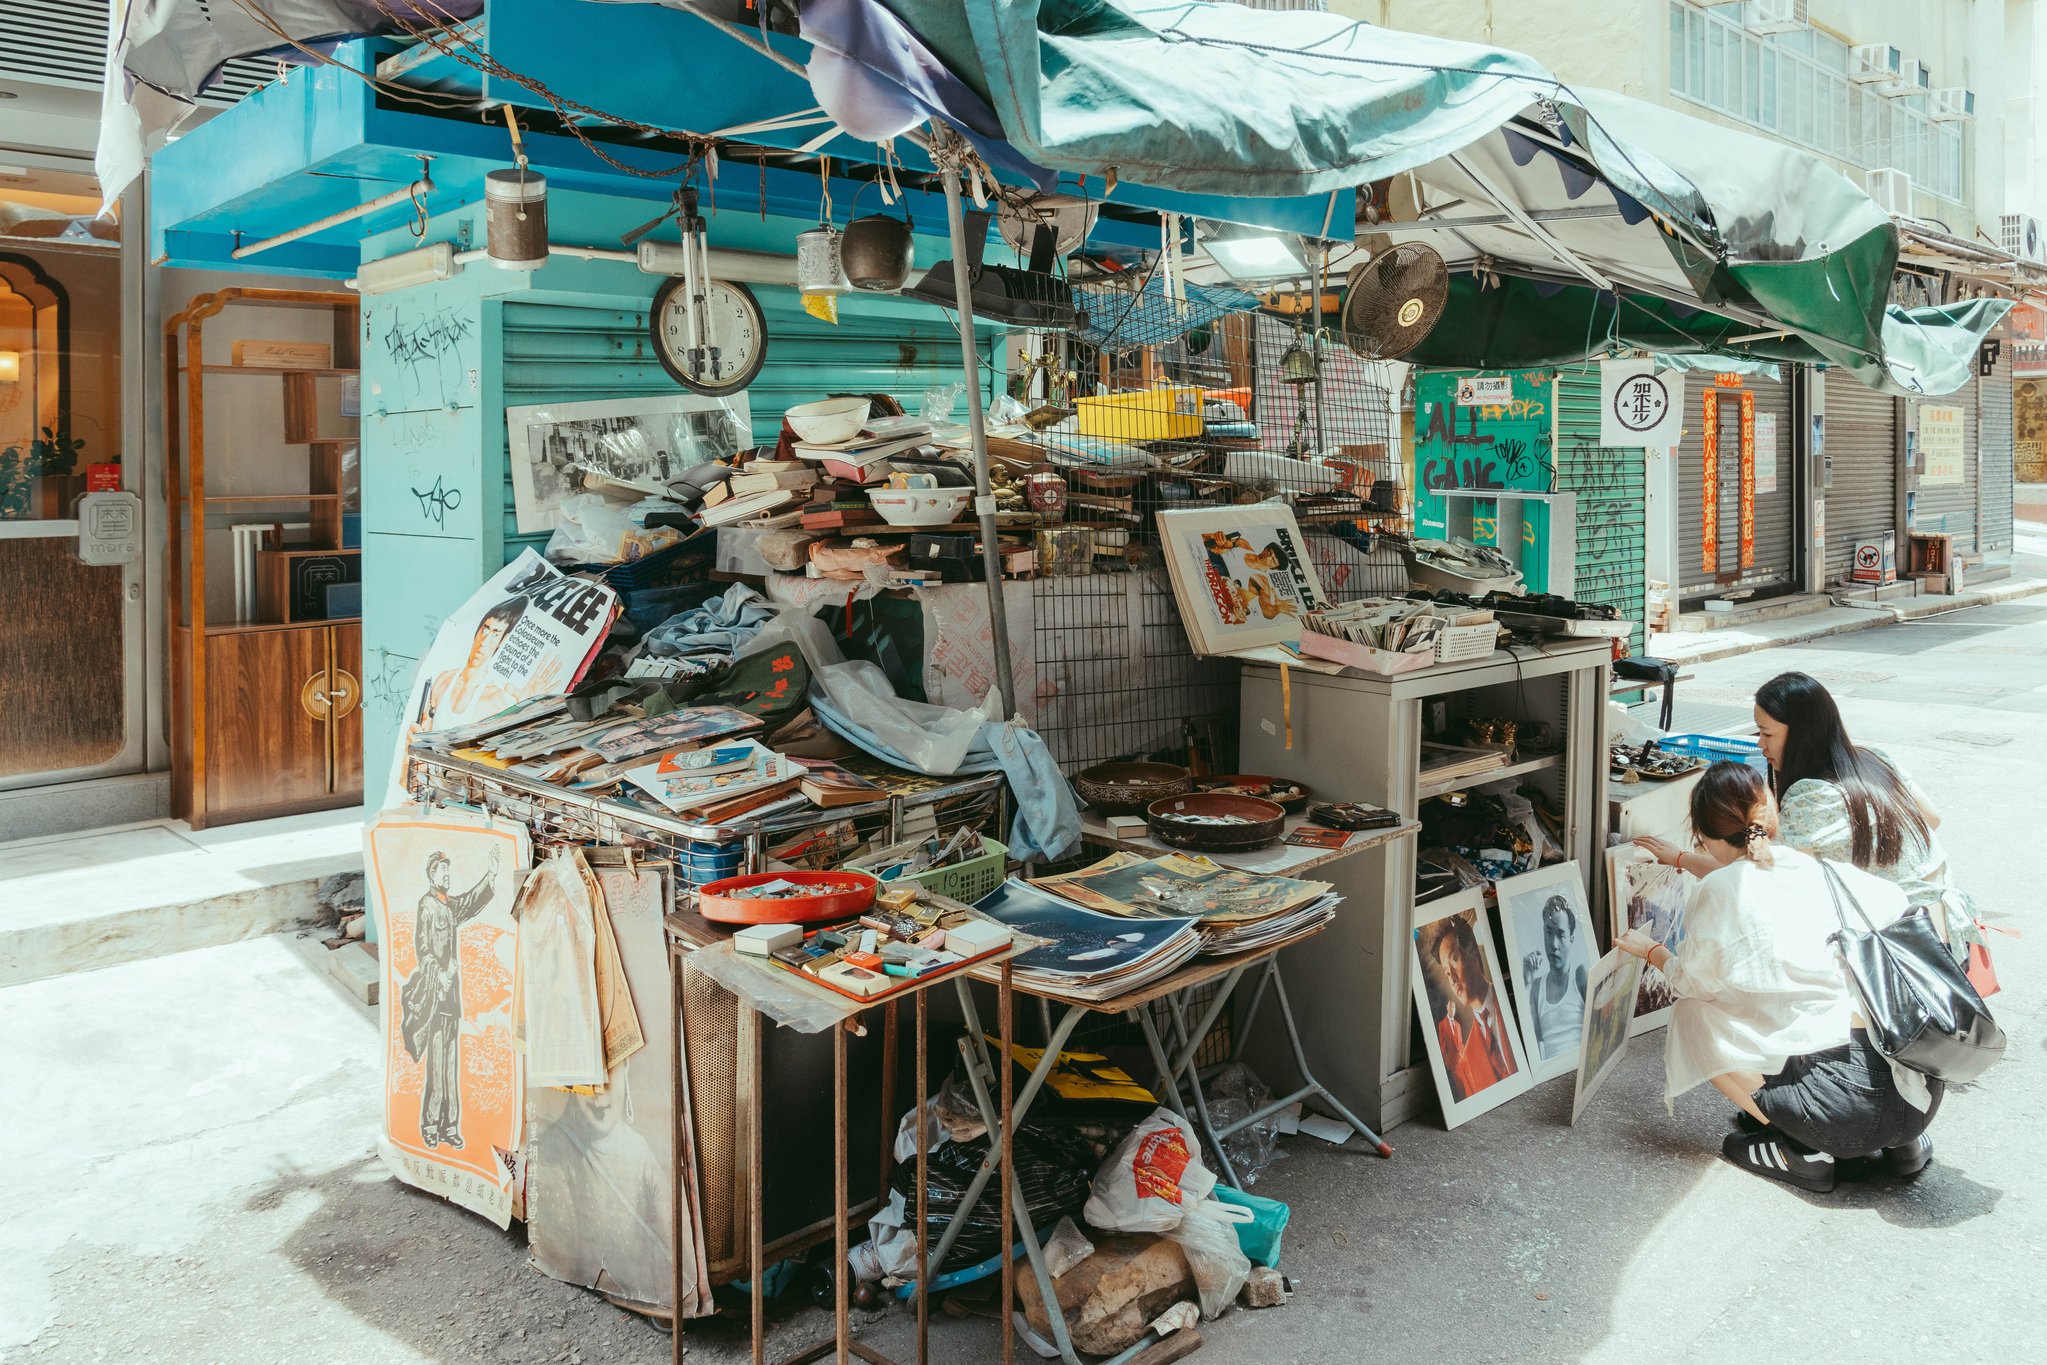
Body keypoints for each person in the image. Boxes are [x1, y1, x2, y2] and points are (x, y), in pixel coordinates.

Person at [1621, 762, 1941, 1193]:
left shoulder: (1722, 891)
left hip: (1845, 1114)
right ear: (1769, 814)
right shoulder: (1825, 872)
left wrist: (1653, 951)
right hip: (1918, 1093)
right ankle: (1900, 1146)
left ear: (1704, 835)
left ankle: (1804, 1149)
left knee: (1694, 1013)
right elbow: (1895, 902)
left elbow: (1691, 983)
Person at [1636, 671, 1981, 966]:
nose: (1760, 745)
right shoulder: (1875, 758)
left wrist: (1680, 858)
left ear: (1802, 733)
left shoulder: (1812, 797)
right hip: (1948, 926)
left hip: (1899, 948)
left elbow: (1759, 878)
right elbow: (1931, 819)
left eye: (1767, 733)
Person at [399, 844, 504, 1149]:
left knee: (450, 1065)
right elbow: (423, 949)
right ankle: (430, 1125)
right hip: (435, 994)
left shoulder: (449, 905)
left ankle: (450, 1126)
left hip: (451, 999)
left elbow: (471, 902)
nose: (447, 875)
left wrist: (491, 875)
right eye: (441, 870)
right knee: (436, 1065)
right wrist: (441, 973)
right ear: (431, 875)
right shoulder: (427, 906)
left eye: (448, 870)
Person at [1423, 912, 1518, 1101]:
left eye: (1454, 959)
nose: (1453, 978)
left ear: (1472, 951)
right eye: (1447, 973)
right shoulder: (1468, 1058)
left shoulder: (1514, 1003)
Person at [1519, 895, 1586, 1060]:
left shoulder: (1580, 977)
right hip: (1552, 1076)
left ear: (1571, 939)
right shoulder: (1536, 987)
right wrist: (1526, 983)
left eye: (1561, 935)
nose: (1553, 944)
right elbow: (1532, 1046)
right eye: (1549, 933)